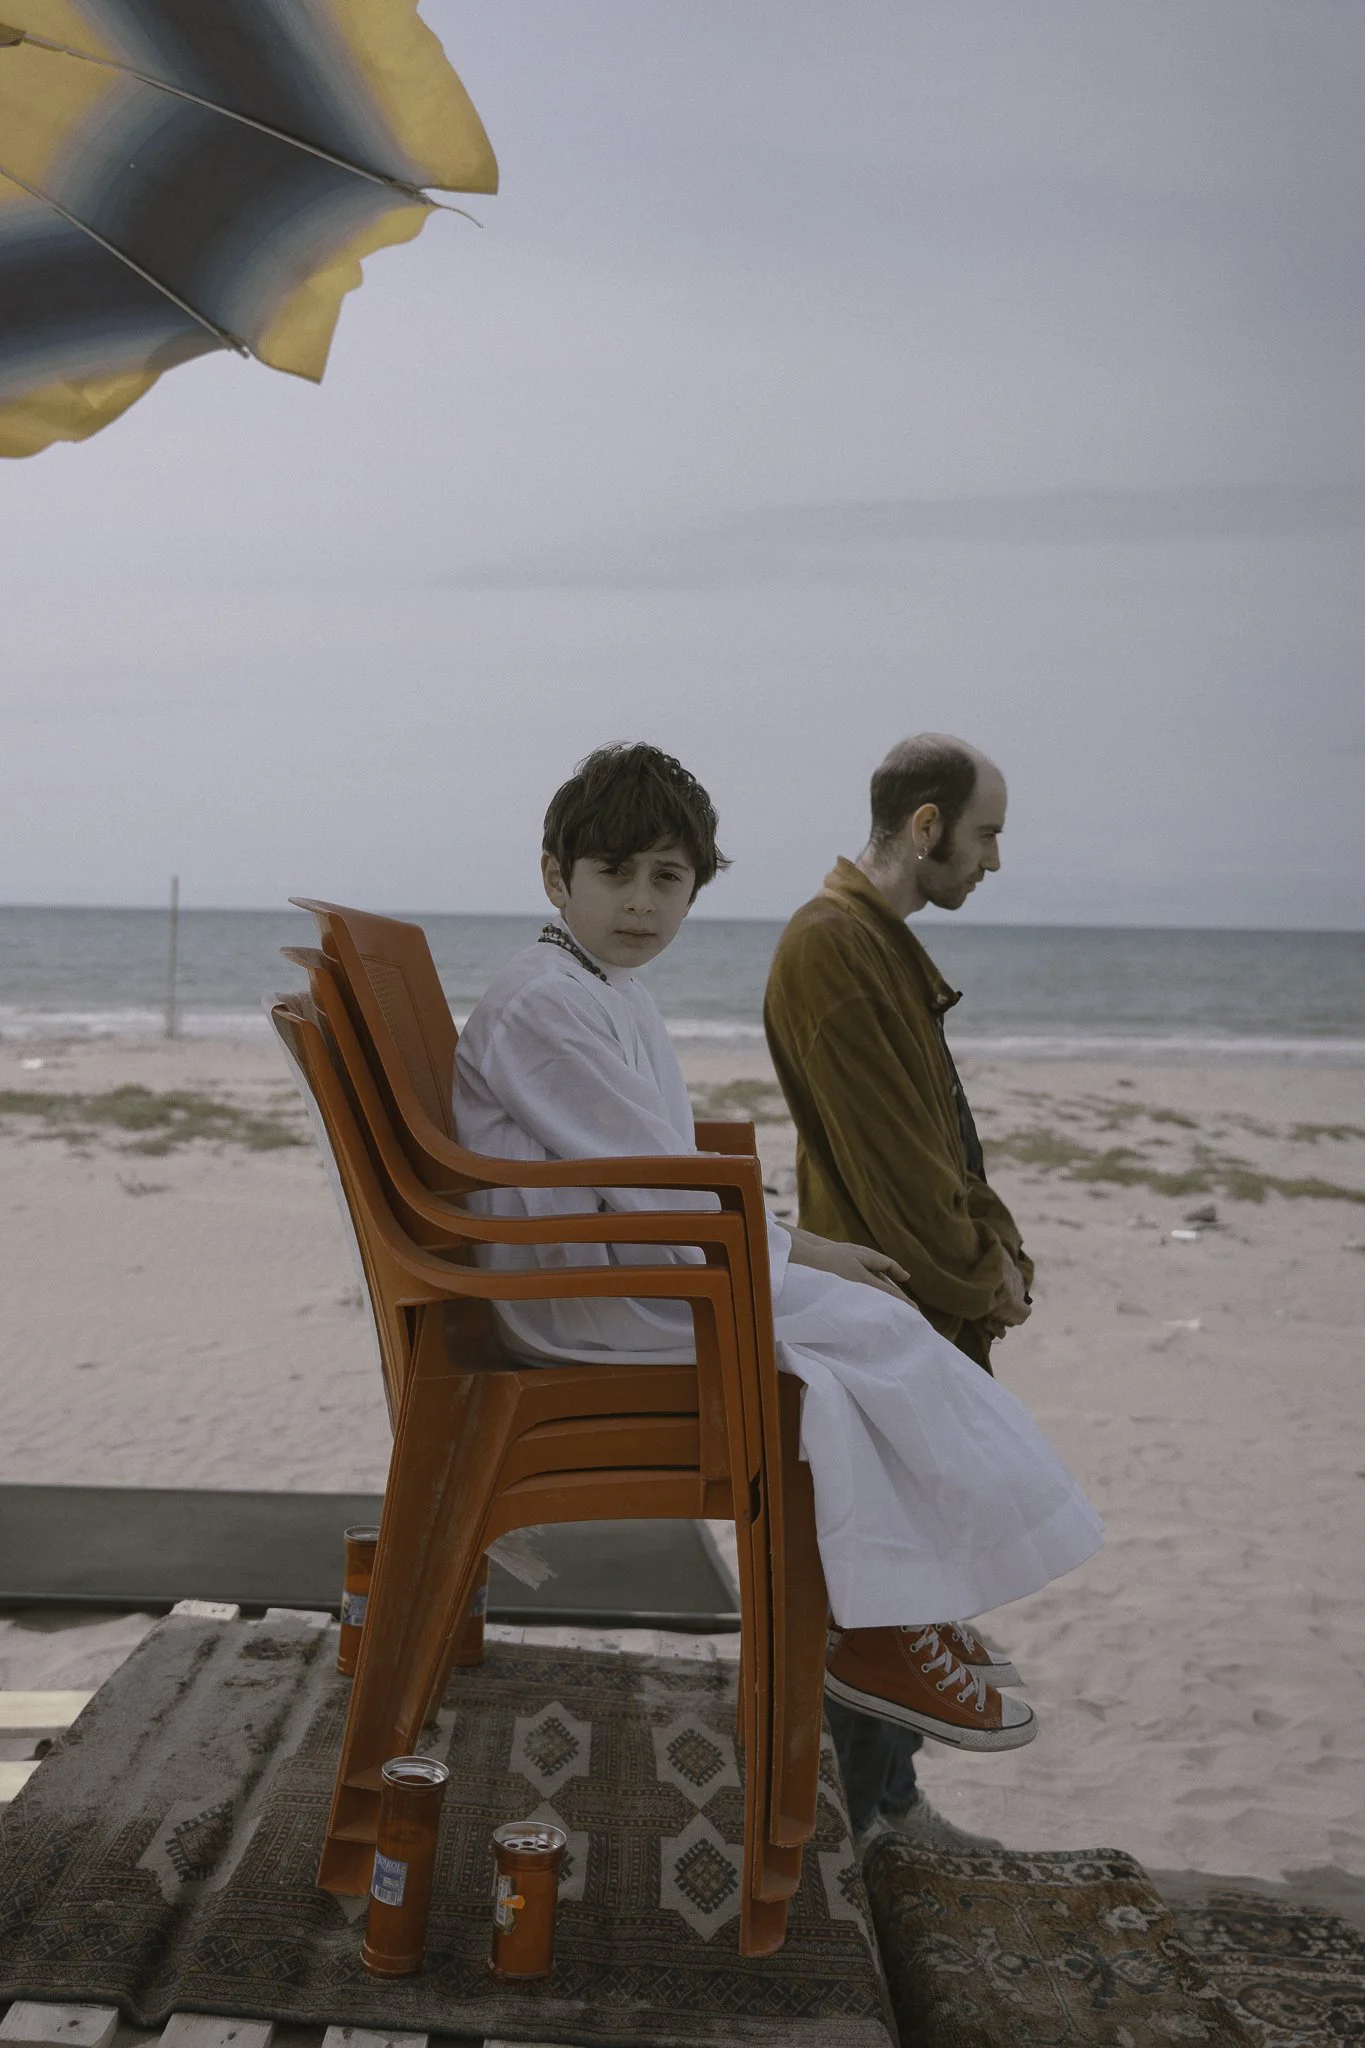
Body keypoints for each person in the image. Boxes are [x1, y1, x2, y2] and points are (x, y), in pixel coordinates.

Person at [455, 742, 1102, 1759]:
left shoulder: (605, 986)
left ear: (695, 889)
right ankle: (873, 1623)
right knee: (851, 1358)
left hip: (626, 1262)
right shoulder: (545, 999)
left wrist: (798, 1253)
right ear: (555, 876)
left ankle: (896, 1607)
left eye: (667, 877)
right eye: (614, 873)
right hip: (583, 1295)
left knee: (881, 1327)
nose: (640, 902)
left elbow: (654, 1169)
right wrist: (801, 1252)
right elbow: (652, 1179)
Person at [763, 732, 1038, 1848]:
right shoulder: (834, 947)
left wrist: (998, 1250)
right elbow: (898, 1171)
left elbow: (945, 1145)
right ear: (925, 826)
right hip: (886, 1306)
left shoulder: (873, 940)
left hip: (913, 1302)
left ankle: (885, 1808)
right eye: (986, 835)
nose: (994, 861)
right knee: (881, 1594)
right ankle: (859, 1828)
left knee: (911, 1573)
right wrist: (982, 1270)